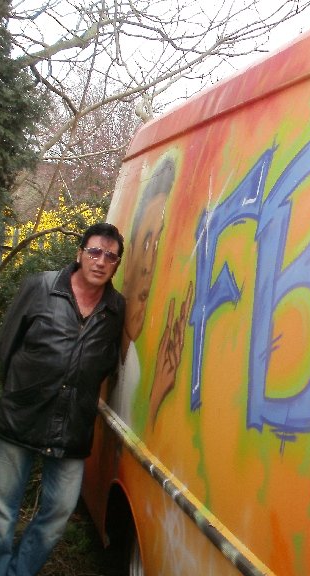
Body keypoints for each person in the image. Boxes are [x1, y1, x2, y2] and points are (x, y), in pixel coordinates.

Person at [0, 223, 126, 576]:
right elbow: (7, 345)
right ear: (79, 253)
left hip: (72, 426)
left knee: (58, 512)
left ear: (117, 264)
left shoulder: (115, 308)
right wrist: (22, 393)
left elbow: (105, 364)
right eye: (94, 251)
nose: (100, 261)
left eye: (110, 256)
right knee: (4, 510)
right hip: (22, 417)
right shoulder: (40, 287)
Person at [109, 156, 192, 429]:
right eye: (146, 242)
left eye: (157, 243)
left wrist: (157, 392)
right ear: (128, 255)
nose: (150, 265)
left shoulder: (133, 363)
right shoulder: (101, 325)